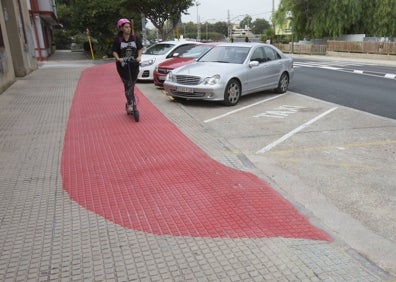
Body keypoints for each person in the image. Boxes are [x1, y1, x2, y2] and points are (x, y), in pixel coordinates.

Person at [112, 18, 143, 113]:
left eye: (129, 27)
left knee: (132, 84)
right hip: (123, 66)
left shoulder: (134, 38)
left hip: (134, 64)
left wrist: (139, 56)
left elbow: (140, 48)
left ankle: (130, 102)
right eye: (126, 27)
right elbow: (114, 52)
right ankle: (130, 103)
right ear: (121, 28)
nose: (128, 29)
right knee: (128, 84)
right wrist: (118, 58)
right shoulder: (118, 40)